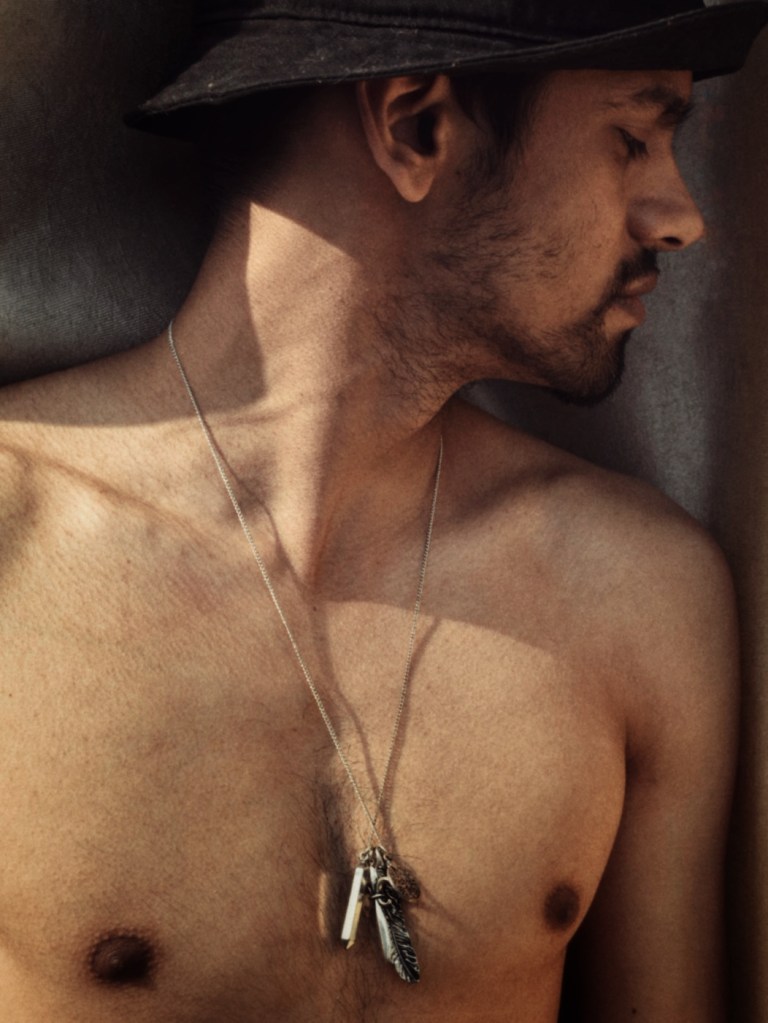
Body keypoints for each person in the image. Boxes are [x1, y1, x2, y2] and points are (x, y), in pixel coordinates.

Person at [0, 0, 766, 1019]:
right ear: (417, 127)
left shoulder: (638, 595)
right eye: (631, 137)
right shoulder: (17, 546)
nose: (681, 217)